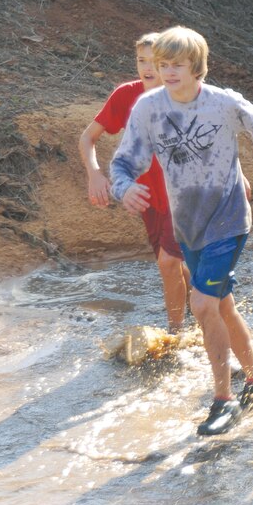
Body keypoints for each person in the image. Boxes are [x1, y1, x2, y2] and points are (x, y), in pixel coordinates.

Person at [110, 26, 253, 436]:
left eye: (177, 65)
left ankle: (223, 401)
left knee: (202, 304)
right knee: (222, 306)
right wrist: (124, 188)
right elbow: (124, 162)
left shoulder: (224, 103)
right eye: (162, 65)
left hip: (228, 220)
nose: (168, 72)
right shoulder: (148, 108)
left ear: (197, 67)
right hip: (186, 224)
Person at [79, 32, 191, 332]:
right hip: (148, 199)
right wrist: (94, 175)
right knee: (180, 267)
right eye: (141, 60)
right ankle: (203, 319)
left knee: (168, 263)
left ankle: (176, 332)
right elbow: (87, 137)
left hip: (184, 195)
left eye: (155, 61)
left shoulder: (184, 94)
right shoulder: (125, 95)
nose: (148, 67)